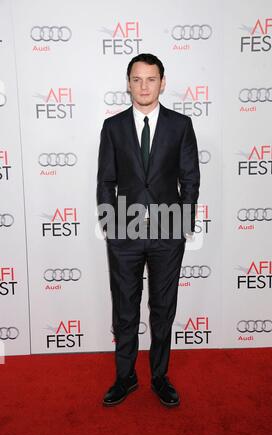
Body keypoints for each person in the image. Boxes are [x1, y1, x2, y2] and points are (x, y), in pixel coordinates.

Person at [97, 53, 200, 407]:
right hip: (123, 233)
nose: (144, 86)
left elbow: (190, 178)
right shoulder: (112, 127)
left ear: (162, 82)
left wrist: (183, 223)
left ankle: (159, 376)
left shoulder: (181, 125)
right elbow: (105, 181)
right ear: (128, 83)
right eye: (137, 79)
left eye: (151, 79)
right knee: (125, 309)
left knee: (162, 308)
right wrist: (110, 225)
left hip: (167, 233)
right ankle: (125, 377)